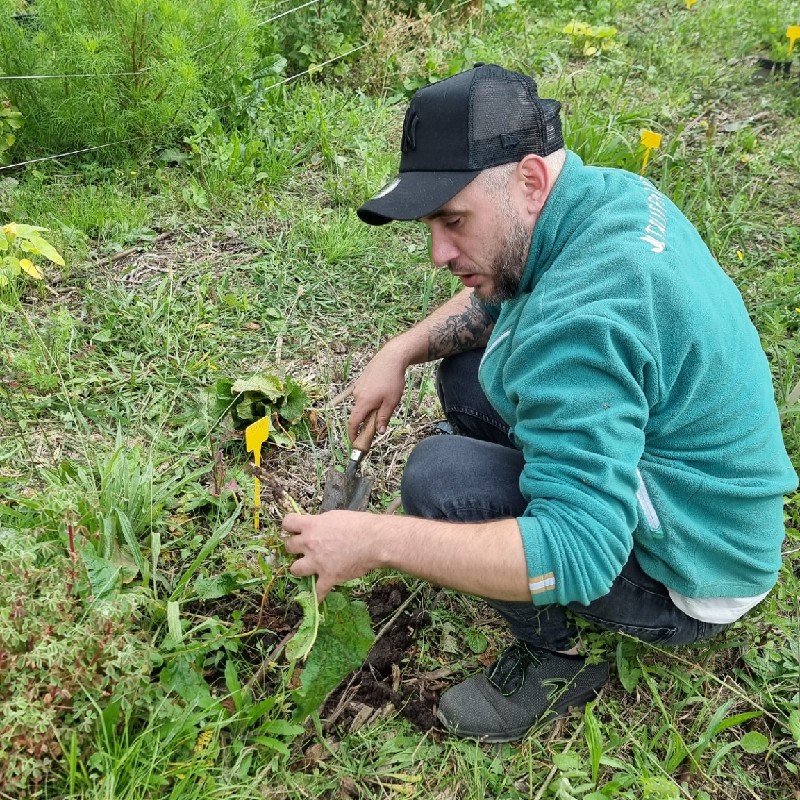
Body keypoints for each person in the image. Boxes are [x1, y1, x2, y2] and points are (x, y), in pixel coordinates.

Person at [282, 64, 798, 742]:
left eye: (454, 220)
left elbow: (581, 550)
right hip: (703, 492)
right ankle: (522, 499)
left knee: (440, 481)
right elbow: (500, 293)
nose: (438, 251)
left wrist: (375, 541)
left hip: (696, 569)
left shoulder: (580, 327)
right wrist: (401, 350)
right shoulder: (604, 197)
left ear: (529, 179)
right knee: (469, 365)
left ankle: (556, 664)